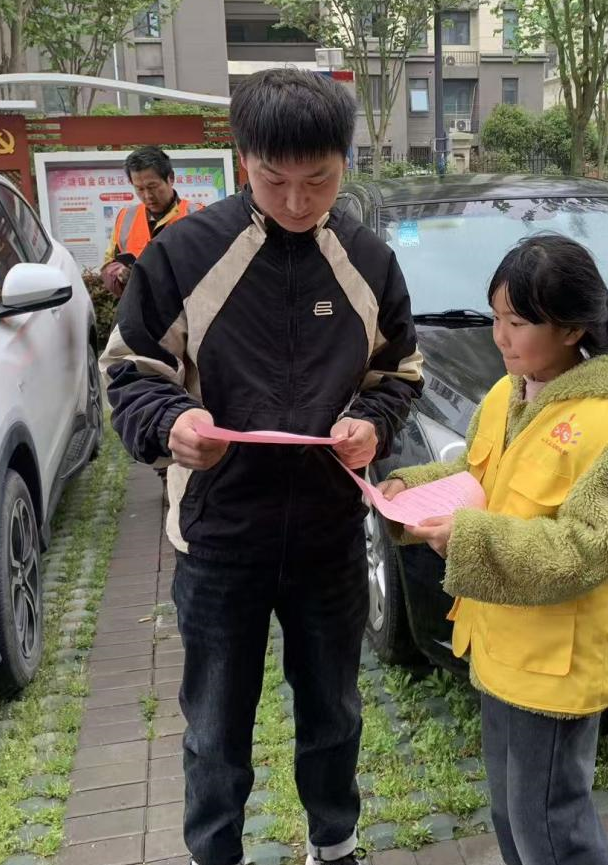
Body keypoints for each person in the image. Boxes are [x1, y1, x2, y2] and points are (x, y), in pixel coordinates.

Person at [100, 68, 423, 865]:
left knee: (334, 712)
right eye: (275, 180)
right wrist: (173, 424)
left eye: (320, 180)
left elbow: (398, 372)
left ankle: (335, 844)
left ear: (345, 162)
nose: (298, 201)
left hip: (328, 535)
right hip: (220, 536)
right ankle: (216, 853)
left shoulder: (367, 259)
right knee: (215, 727)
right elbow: (130, 370)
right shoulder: (184, 254)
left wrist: (371, 424)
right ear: (242, 157)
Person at [380, 234, 608, 865]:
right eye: (495, 318)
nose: (500, 338)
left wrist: (469, 537)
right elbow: (480, 476)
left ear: (570, 329)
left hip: (556, 666)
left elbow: (587, 550)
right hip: (503, 645)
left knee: (551, 828)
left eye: (517, 323)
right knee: (513, 815)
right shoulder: (507, 394)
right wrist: (409, 489)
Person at [100, 146, 203, 298]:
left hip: (185, 306)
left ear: (170, 178)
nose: (147, 196)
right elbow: (108, 264)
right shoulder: (125, 217)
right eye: (139, 189)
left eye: (152, 187)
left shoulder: (198, 215)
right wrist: (119, 273)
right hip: (139, 307)